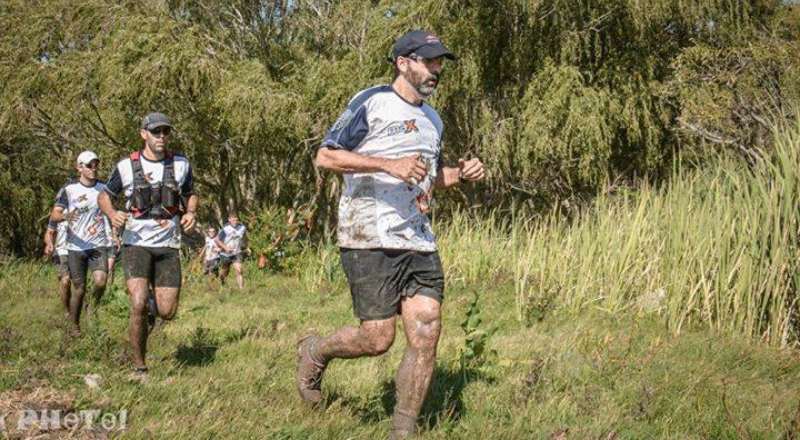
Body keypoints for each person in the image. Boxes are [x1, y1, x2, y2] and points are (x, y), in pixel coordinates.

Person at [297, 30, 485, 438]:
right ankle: (315, 351)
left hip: (417, 239)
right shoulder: (372, 101)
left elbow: (427, 181)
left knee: (427, 328)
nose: (436, 69)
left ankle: (404, 429)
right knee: (377, 338)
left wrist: (460, 175)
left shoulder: (434, 120)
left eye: (440, 62)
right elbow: (325, 155)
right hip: (368, 234)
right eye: (428, 60)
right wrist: (388, 164)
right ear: (403, 62)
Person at [98, 112, 198, 380]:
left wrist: (191, 213)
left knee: (167, 312)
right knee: (138, 302)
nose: (162, 136)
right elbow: (104, 196)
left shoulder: (180, 164)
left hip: (168, 245)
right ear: (144, 134)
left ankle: (152, 309)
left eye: (166, 131)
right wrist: (112, 214)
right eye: (156, 132)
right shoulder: (125, 167)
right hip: (135, 244)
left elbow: (190, 194)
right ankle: (139, 366)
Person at [44, 151, 112, 336]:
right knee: (78, 288)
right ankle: (74, 325)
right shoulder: (70, 190)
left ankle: (92, 307)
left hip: (97, 244)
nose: (94, 168)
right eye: (89, 165)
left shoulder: (104, 189)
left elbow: (111, 213)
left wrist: (115, 235)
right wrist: (66, 215)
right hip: (75, 246)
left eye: (96, 164)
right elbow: (55, 214)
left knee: (100, 281)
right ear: (79, 168)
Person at [43, 220, 71, 316]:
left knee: (77, 284)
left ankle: (76, 308)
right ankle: (66, 311)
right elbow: (49, 233)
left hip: (78, 253)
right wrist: (49, 244)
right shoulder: (58, 213)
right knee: (65, 281)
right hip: (61, 252)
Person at [215, 213, 247, 289]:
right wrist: (225, 248)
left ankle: (241, 289)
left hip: (236, 252)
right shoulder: (225, 229)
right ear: (229, 220)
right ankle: (222, 280)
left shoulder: (242, 227)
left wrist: (246, 246)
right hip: (225, 254)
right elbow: (217, 240)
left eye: (236, 218)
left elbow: (244, 237)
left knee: (239, 270)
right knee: (225, 271)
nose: (234, 220)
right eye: (232, 219)